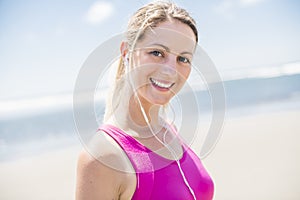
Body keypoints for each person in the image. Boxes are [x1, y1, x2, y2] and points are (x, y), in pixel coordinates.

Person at [76, 1, 214, 199]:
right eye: (157, 53)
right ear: (126, 53)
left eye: (183, 59)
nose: (170, 70)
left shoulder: (167, 130)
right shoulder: (102, 157)